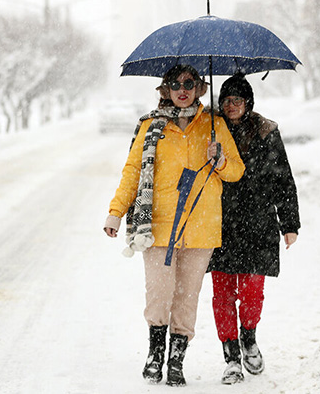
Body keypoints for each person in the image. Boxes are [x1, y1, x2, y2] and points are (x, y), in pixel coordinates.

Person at [103, 64, 245, 387]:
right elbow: (133, 171)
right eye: (176, 84)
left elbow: (236, 170)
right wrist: (116, 211)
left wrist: (219, 159)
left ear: (199, 88)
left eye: (190, 83)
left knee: (186, 298)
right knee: (159, 293)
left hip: (201, 227)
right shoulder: (151, 126)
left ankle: (176, 360)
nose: (183, 89)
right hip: (159, 226)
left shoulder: (214, 125)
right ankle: (155, 355)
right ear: (165, 89)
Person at [207, 73, 301, 384]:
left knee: (251, 292)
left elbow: (283, 180)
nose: (231, 105)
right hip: (219, 223)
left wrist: (289, 224)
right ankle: (231, 355)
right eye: (226, 100)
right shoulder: (211, 131)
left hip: (257, 222)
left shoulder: (266, 132)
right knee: (222, 293)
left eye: (237, 99)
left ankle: (248, 337)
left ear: (248, 102)